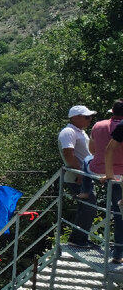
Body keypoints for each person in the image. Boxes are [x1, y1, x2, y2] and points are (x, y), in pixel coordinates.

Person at [91, 101, 123, 264]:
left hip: (108, 174)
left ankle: (117, 252)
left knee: (119, 215)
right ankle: (117, 251)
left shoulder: (99, 125)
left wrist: (108, 173)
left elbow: (94, 149)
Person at [60, 105, 96, 245]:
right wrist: (80, 173)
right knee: (89, 206)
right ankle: (77, 240)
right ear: (75, 117)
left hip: (82, 175)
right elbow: (68, 155)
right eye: (87, 117)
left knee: (88, 207)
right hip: (77, 176)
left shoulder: (80, 131)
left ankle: (81, 239)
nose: (90, 119)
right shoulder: (68, 131)